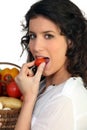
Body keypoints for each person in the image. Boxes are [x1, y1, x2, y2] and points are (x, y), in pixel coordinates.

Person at [14, 0, 87, 130]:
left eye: (48, 36)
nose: (36, 47)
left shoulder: (65, 101)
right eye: (32, 36)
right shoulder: (42, 86)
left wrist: (29, 99)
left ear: (71, 41)